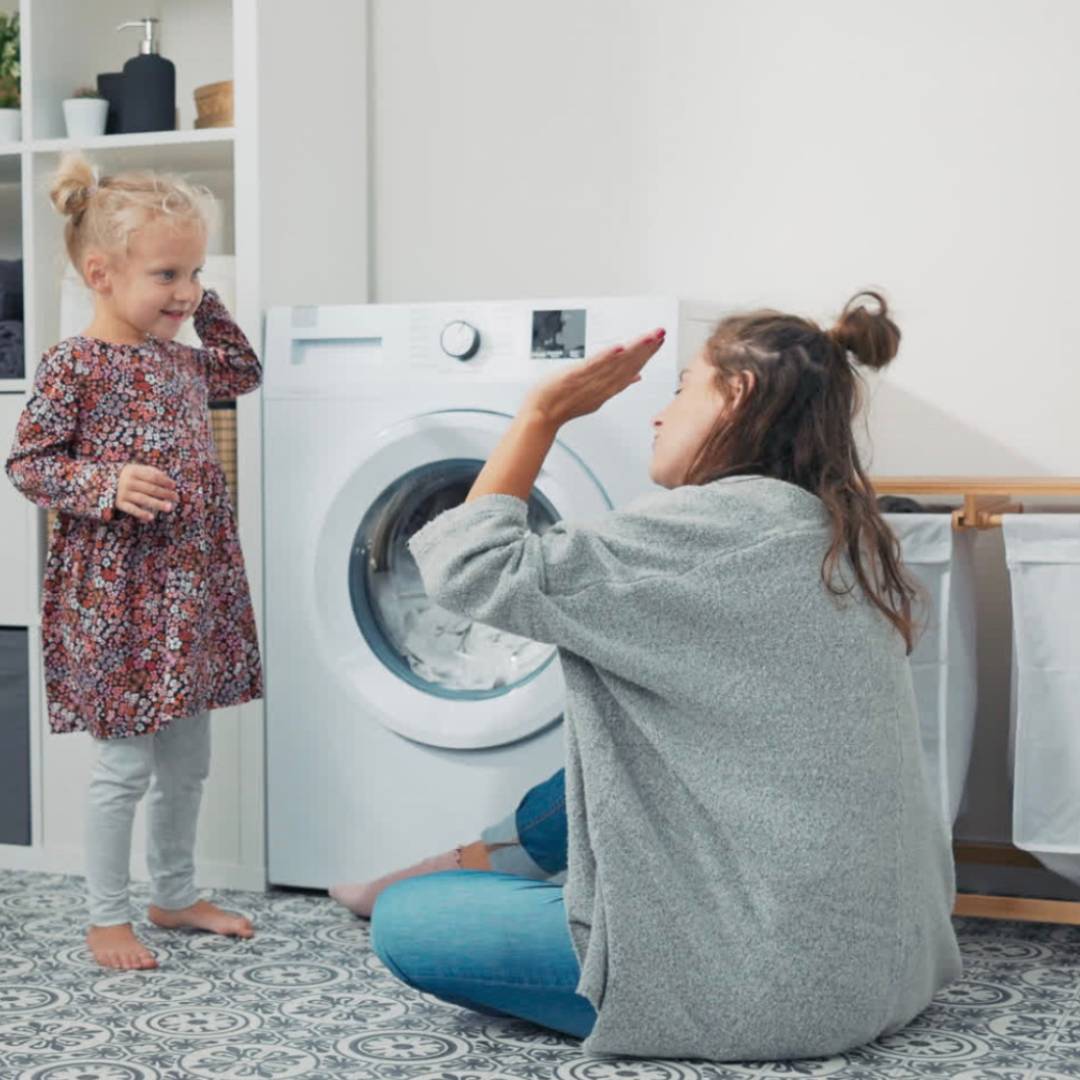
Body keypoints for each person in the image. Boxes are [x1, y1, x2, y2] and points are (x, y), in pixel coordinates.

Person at [336, 293, 961, 1062]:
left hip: (770, 981)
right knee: (616, 763)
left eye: (680, 387)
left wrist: (541, 416)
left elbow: (469, 568)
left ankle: (453, 879)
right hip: (891, 960)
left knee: (411, 921)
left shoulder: (704, 529)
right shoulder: (833, 528)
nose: (659, 415)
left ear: (736, 395)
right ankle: (477, 858)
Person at [5, 154, 263, 970]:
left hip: (190, 592)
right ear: (101, 274)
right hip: (117, 599)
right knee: (124, 766)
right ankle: (105, 915)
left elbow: (245, 371)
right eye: (167, 273)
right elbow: (29, 465)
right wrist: (106, 482)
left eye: (194, 271)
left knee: (189, 761)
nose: (185, 291)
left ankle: (175, 893)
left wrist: (200, 296)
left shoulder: (187, 360)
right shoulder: (71, 364)